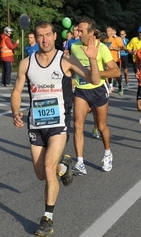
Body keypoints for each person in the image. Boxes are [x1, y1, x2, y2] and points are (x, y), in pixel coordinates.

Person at [10, 20, 100, 236]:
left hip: (59, 123)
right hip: (36, 124)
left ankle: (47, 218)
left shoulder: (66, 59)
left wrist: (93, 60)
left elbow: (94, 79)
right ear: (35, 37)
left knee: (48, 169)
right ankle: (63, 166)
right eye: (40, 35)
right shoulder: (26, 63)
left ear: (54, 35)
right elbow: (16, 92)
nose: (44, 39)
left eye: (48, 35)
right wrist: (15, 111)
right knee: (41, 174)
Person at [72, 18, 120, 174]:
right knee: (78, 125)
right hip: (81, 90)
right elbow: (73, 69)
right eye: (77, 30)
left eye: (81, 31)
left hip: (98, 89)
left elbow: (115, 71)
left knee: (101, 126)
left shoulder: (102, 48)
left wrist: (96, 74)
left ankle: (107, 153)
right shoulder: (74, 47)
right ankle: (80, 162)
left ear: (91, 33)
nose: (77, 33)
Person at [104, 26, 124, 95]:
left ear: (112, 31)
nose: (107, 32)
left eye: (109, 31)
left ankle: (120, 85)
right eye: (107, 31)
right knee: (108, 73)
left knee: (117, 75)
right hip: (108, 60)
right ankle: (110, 86)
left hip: (115, 59)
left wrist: (114, 48)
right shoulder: (105, 40)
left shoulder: (116, 39)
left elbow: (122, 48)